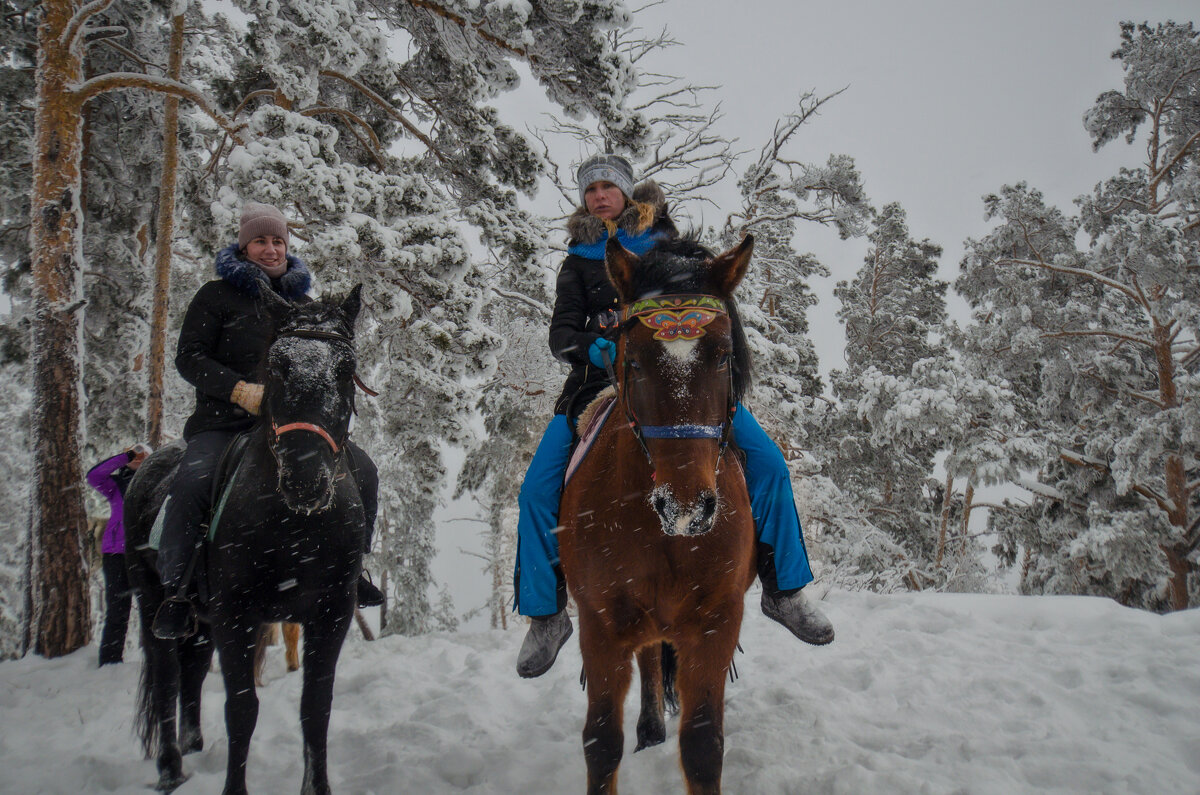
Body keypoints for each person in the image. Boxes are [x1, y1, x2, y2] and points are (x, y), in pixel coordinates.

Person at [514, 154, 835, 678]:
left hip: (682, 387)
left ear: (627, 193)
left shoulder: (670, 247)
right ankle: (546, 614)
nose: (599, 195)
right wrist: (599, 351)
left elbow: (715, 313)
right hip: (597, 386)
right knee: (535, 490)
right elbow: (561, 335)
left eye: (608, 186)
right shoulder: (576, 262)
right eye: (590, 188)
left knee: (770, 465)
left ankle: (784, 589)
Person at [152, 202, 384, 640]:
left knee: (365, 471)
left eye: (278, 241)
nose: (271, 249)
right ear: (244, 246)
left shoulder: (304, 305)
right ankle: (177, 591)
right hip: (223, 425)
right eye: (261, 240)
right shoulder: (215, 296)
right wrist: (239, 390)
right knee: (191, 483)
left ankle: (353, 573)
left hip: (294, 430)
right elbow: (189, 358)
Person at [87, 444, 148, 665]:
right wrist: (125, 457)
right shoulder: (115, 485)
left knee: (150, 609)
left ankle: (153, 659)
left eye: (143, 455)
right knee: (117, 610)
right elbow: (93, 475)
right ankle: (110, 663)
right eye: (135, 454)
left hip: (145, 555)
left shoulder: (156, 482)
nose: (138, 458)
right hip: (116, 554)